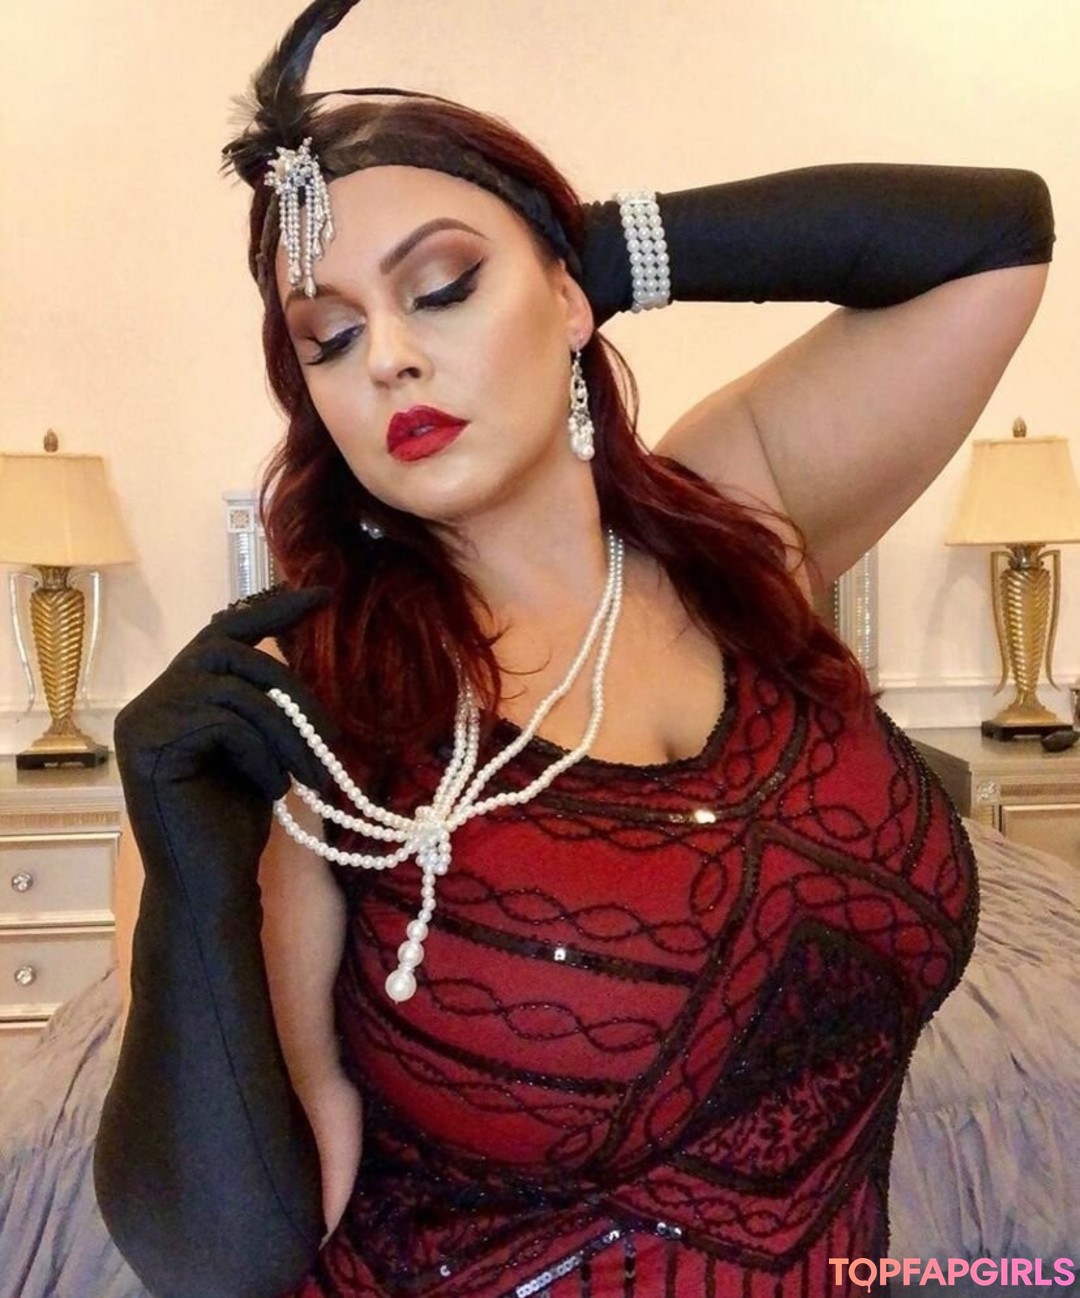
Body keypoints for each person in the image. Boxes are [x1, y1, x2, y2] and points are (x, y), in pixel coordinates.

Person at [93, 1, 1054, 1296]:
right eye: (330, 336)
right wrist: (187, 870)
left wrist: (582, 245)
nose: (390, 357)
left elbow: (995, 236)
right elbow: (223, 1259)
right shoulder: (314, 718)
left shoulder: (739, 528)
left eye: (445, 286)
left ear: (569, 298)